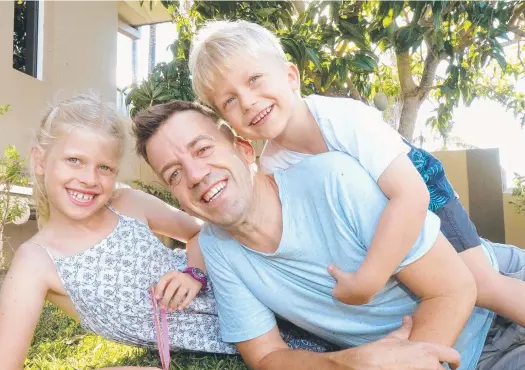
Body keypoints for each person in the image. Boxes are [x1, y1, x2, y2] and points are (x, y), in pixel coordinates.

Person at [133, 100, 525, 370]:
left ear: (242, 147)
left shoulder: (333, 178)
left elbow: (455, 288)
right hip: (476, 355)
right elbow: (266, 358)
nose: (196, 175)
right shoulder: (218, 249)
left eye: (202, 149)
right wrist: (356, 368)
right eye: (174, 175)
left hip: (498, 280)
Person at [187, 20, 525, 328]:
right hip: (380, 214)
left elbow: (411, 195)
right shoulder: (275, 164)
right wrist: (196, 272)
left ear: (291, 77)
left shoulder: (342, 118)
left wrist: (369, 278)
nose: (247, 101)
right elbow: (220, 229)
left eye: (254, 80)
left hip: (422, 189)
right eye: (229, 100)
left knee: (481, 283)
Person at [0, 93, 241, 370]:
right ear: (40, 160)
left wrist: (194, 273)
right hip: (235, 339)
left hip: (238, 286)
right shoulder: (36, 262)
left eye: (104, 167)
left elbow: (201, 232)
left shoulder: (127, 203)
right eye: (74, 160)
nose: (88, 178)